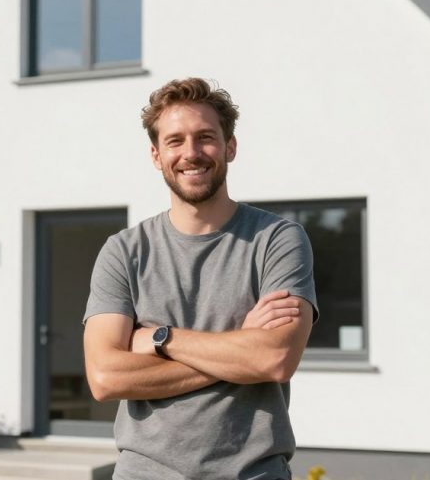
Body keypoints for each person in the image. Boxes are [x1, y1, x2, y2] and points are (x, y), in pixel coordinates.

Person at [83, 77, 319, 480]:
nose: (190, 153)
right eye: (175, 141)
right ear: (156, 155)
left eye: (205, 137)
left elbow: (275, 358)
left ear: (230, 147)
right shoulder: (123, 251)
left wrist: (160, 340)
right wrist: (240, 349)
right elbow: (105, 377)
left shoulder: (277, 240)